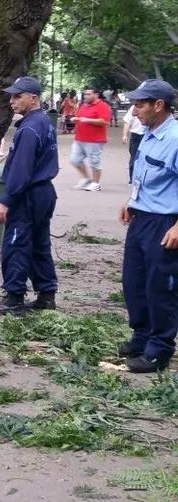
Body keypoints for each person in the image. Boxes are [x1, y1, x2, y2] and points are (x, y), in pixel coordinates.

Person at [0, 76, 59, 316]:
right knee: (39, 244)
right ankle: (47, 295)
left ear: (33, 98)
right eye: (12, 96)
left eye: (18, 96)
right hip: (43, 192)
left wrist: (6, 200)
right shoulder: (44, 122)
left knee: (16, 244)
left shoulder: (29, 128)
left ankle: (14, 297)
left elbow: (21, 170)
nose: (12, 101)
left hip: (26, 195)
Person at [116, 79, 178, 373]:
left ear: (159, 105)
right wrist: (132, 200)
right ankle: (141, 337)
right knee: (134, 284)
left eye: (140, 105)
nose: (134, 110)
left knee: (160, 288)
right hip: (141, 218)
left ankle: (159, 350)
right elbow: (145, 176)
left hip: (165, 224)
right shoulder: (148, 134)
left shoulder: (175, 138)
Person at [70, 86, 111, 192]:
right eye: (85, 94)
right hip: (80, 139)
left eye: (88, 94)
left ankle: (96, 184)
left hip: (94, 140)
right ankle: (85, 178)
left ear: (96, 95)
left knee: (95, 162)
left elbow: (105, 121)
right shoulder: (83, 105)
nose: (85, 96)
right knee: (75, 160)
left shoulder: (102, 106)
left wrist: (87, 120)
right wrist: (76, 120)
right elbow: (81, 119)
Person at [122, 103, 146, 182]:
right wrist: (125, 135)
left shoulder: (152, 107)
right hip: (136, 136)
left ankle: (143, 179)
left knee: (147, 159)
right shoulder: (134, 107)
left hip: (148, 135)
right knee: (134, 158)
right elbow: (127, 121)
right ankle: (132, 179)